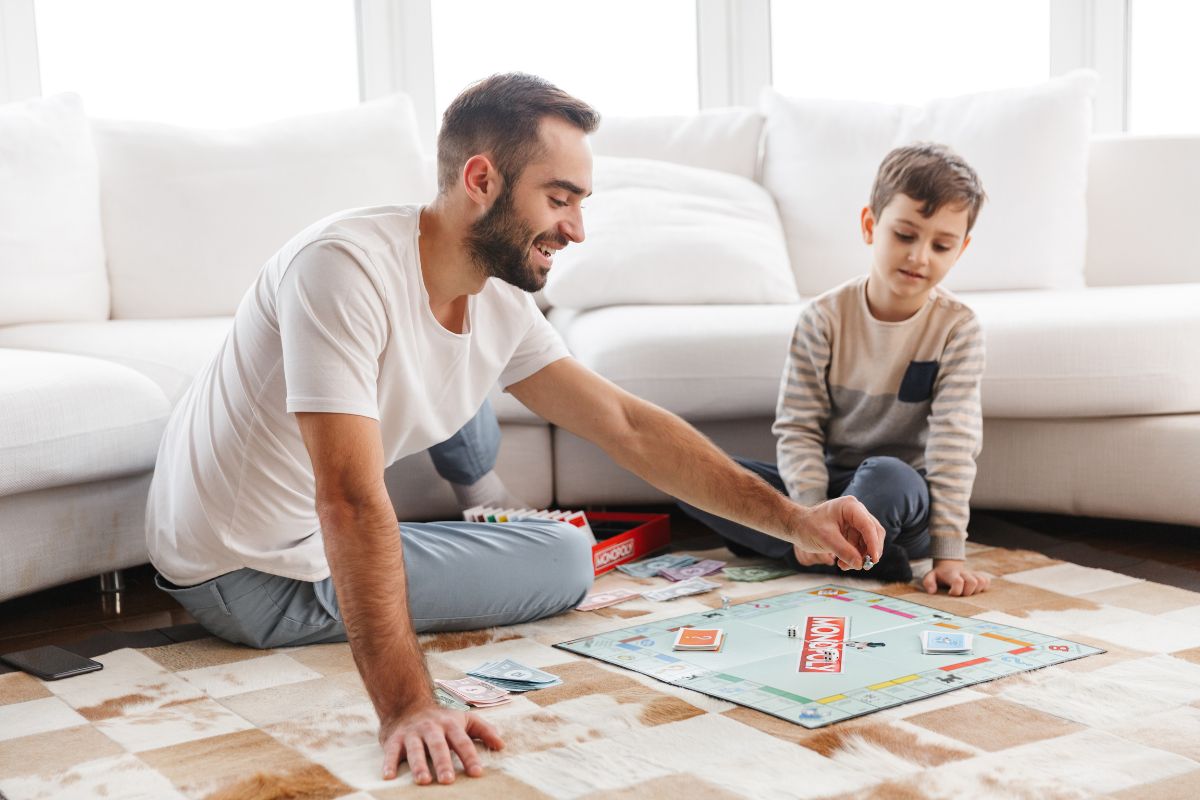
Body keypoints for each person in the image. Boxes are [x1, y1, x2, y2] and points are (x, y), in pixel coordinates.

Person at [144, 73, 885, 788]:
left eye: (581, 203)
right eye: (559, 199)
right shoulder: (342, 268)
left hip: (291, 535)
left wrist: (793, 518)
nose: (577, 229)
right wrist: (407, 707)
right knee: (563, 558)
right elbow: (347, 498)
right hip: (241, 572)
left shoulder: (494, 302)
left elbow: (626, 425)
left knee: (534, 499)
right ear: (480, 180)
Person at [680, 142, 993, 598]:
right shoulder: (823, 318)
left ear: (960, 250)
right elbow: (799, 427)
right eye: (905, 235)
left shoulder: (957, 328)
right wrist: (809, 515)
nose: (920, 256)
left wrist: (949, 555)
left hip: (901, 499)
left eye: (940, 245)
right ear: (871, 226)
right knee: (696, 473)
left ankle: (820, 554)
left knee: (888, 475)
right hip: (829, 488)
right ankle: (848, 558)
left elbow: (953, 446)